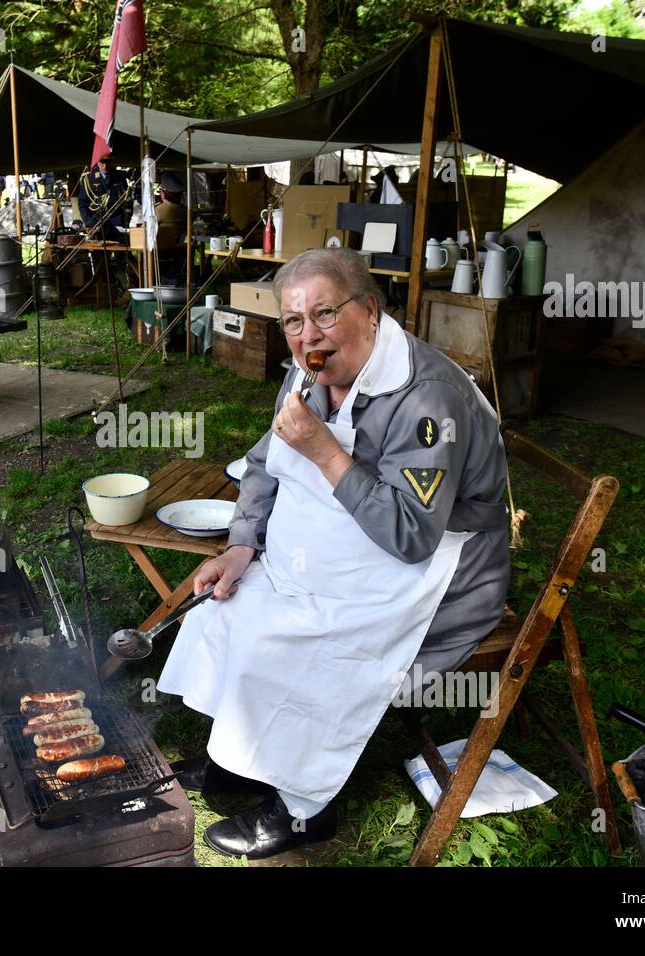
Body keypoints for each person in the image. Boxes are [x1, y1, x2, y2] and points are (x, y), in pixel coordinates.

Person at [155, 249, 511, 859]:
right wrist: (242, 545)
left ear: (370, 311)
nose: (307, 336)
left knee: (307, 645)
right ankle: (243, 762)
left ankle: (303, 811)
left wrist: (324, 451)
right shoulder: (312, 371)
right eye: (293, 321)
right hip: (354, 542)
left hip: (441, 575)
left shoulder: (427, 400)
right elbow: (266, 462)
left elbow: (411, 534)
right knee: (229, 607)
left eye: (324, 313)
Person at [77, 154, 131, 240]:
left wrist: (126, 219)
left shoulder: (119, 177)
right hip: (97, 224)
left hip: (117, 223)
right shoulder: (89, 179)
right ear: (97, 162)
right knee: (99, 252)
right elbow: (82, 204)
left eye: (108, 162)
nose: (105, 166)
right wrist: (89, 222)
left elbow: (127, 200)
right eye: (102, 162)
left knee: (121, 251)